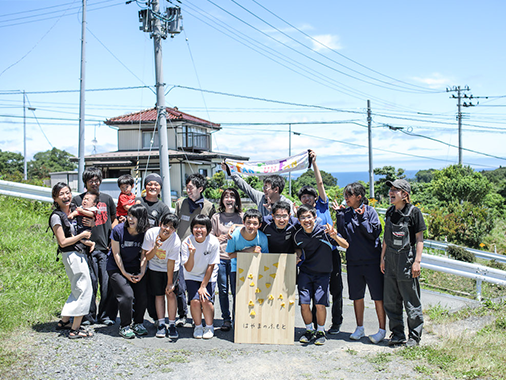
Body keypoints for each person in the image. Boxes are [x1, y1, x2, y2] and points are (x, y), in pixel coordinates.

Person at [335, 182, 386, 344]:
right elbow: (342, 236)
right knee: (357, 296)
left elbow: (373, 233)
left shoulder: (370, 211)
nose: (345, 198)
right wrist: (339, 215)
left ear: (359, 197)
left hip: (372, 261)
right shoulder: (345, 213)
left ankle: (382, 330)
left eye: (349, 195)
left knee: (378, 296)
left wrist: (361, 216)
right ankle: (359, 328)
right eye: (345, 195)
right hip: (353, 261)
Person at [380, 179, 426, 347]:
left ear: (405, 194)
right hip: (390, 258)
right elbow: (386, 237)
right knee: (391, 300)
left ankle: (414, 337)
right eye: (391, 189)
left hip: (406, 259)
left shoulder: (414, 212)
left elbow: (419, 239)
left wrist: (417, 262)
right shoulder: (390, 211)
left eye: (395, 190)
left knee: (410, 299)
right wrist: (382, 258)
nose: (391, 193)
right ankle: (397, 333)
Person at [294, 205, 349, 346]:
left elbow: (346, 245)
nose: (306, 220)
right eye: (302, 218)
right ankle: (309, 330)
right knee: (304, 304)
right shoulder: (298, 235)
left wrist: (335, 236)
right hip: (305, 273)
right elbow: (297, 248)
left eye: (309, 217)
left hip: (323, 274)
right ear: (299, 220)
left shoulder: (325, 231)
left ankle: (320, 331)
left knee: (320, 304)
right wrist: (297, 255)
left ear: (315, 218)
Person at [73, 166, 116, 326]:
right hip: (84, 250)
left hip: (105, 249)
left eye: (97, 179)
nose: (95, 182)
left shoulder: (107, 199)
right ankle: (87, 316)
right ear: (86, 182)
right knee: (89, 283)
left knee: (106, 284)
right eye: (91, 180)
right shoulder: (78, 200)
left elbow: (114, 219)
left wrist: (113, 239)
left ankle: (105, 316)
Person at [50, 182, 93, 339]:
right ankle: (75, 329)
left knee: (77, 288)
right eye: (61, 194)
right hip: (71, 255)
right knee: (84, 288)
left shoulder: (75, 210)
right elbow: (62, 242)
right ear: (55, 198)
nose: (66, 196)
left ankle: (65, 321)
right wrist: (82, 237)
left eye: (67, 192)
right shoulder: (56, 216)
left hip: (78, 254)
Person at [174, 173, 216, 327]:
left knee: (204, 284)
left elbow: (212, 228)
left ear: (200, 188)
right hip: (182, 250)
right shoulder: (180, 204)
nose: (188, 190)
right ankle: (183, 314)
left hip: (203, 251)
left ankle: (204, 317)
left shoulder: (209, 206)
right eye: (187, 187)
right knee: (181, 285)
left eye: (191, 187)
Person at [107, 204, 150, 339]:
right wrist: (124, 273)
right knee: (127, 295)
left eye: (134, 217)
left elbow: (144, 254)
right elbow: (116, 254)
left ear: (142, 219)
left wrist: (142, 272)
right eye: (129, 215)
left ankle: (138, 323)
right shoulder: (118, 230)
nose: (130, 219)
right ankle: (125, 326)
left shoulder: (145, 233)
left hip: (136, 267)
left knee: (142, 295)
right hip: (116, 267)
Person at [135, 173, 172, 324]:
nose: (153, 187)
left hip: (154, 251)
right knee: (140, 286)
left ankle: (157, 318)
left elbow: (167, 228)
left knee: (154, 287)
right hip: (137, 248)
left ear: (160, 188)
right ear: (145, 186)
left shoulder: (163, 207)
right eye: (150, 184)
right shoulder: (138, 203)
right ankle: (137, 318)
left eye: (156, 185)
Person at [142, 213, 182, 339]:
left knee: (170, 294)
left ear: (174, 230)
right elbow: (147, 257)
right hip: (154, 267)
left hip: (171, 268)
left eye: (171, 227)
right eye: (165, 225)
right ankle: (161, 323)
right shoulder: (150, 234)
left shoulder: (175, 241)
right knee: (158, 295)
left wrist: (170, 283)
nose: (167, 229)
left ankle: (171, 324)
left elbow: (171, 263)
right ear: (160, 224)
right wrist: (155, 247)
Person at [181, 214, 220, 339]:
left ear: (208, 229)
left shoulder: (213, 241)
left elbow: (211, 265)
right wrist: (192, 254)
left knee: (206, 300)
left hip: (208, 274)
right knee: (195, 301)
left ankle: (209, 326)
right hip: (191, 274)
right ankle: (198, 326)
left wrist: (203, 286)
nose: (199, 230)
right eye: (196, 227)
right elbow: (188, 268)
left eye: (202, 227)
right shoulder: (186, 242)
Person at [226, 209, 269, 321]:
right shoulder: (234, 235)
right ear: (243, 222)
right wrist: (248, 251)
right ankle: (237, 325)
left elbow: (266, 257)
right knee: (239, 298)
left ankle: (253, 325)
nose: (251, 226)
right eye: (248, 222)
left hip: (256, 271)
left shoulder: (262, 238)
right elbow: (230, 255)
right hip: (237, 270)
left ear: (259, 225)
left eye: (255, 223)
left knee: (255, 298)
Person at [210, 188, 243, 332]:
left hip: (237, 257)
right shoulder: (216, 217)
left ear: (236, 200)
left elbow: (251, 226)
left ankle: (238, 318)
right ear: (222, 200)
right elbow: (208, 237)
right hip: (221, 258)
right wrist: (218, 239)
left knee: (237, 291)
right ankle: (226, 319)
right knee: (223, 290)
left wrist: (236, 226)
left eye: (232, 196)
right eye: (226, 197)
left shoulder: (242, 216)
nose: (229, 199)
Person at [223, 162, 294, 217]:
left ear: (276, 189)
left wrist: (271, 211)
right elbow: (246, 188)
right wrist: (230, 171)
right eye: (263, 187)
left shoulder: (287, 204)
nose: (264, 190)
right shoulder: (261, 198)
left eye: (266, 187)